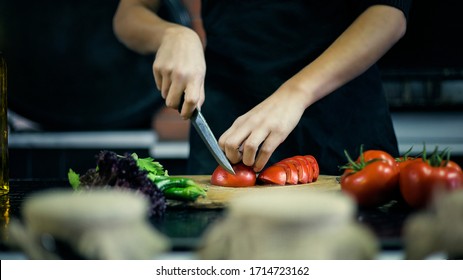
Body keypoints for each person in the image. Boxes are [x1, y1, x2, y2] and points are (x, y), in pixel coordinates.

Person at [113, 0, 412, 175]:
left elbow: (389, 13)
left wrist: (296, 92)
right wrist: (173, 34)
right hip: (227, 121)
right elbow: (130, 12)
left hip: (343, 115)